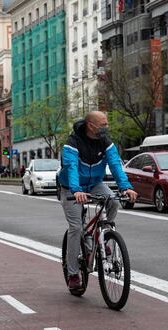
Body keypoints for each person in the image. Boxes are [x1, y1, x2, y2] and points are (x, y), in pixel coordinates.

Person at [58, 111, 137, 289]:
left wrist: (126, 187)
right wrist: (76, 190)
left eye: (106, 124)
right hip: (71, 188)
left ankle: (103, 234)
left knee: (114, 201)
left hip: (94, 183)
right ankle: (72, 274)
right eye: (103, 125)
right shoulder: (72, 143)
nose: (106, 127)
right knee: (76, 227)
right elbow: (71, 168)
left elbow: (115, 164)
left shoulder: (106, 143)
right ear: (90, 126)